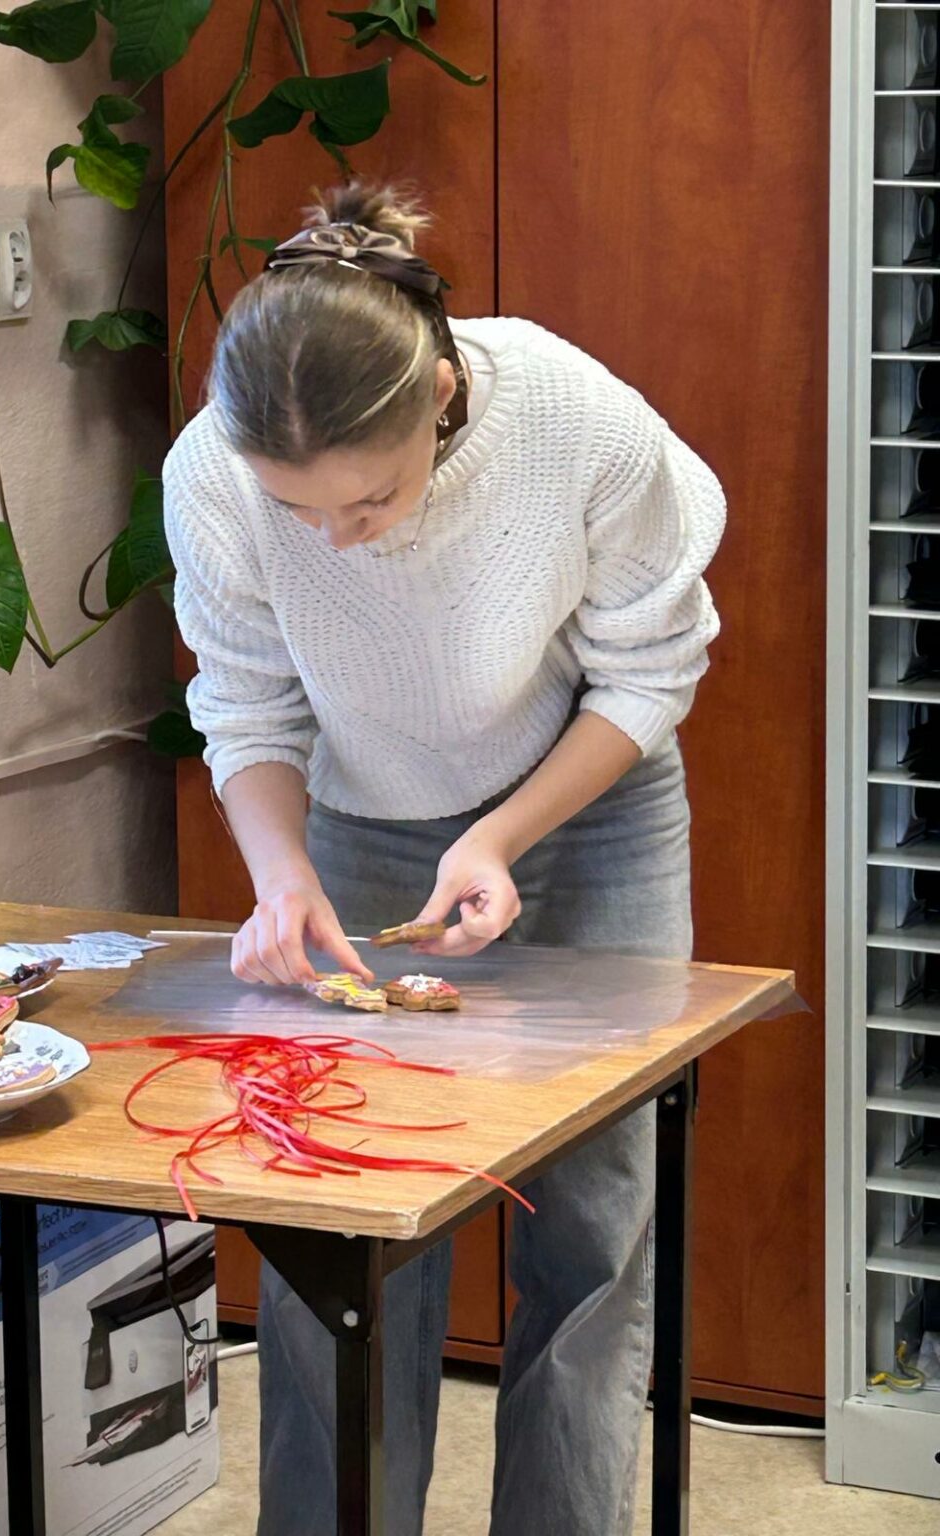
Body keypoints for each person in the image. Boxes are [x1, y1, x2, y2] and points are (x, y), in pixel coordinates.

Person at [162, 182, 725, 1536]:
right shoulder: (213, 475)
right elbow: (245, 706)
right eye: (296, 509)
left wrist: (501, 833)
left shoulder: (573, 418)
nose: (335, 540)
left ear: (442, 392)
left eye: (369, 500)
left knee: (593, 1226)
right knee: (343, 1217)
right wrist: (282, 877)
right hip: (357, 820)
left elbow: (653, 666)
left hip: (588, 806)